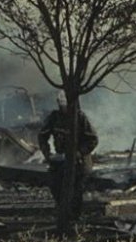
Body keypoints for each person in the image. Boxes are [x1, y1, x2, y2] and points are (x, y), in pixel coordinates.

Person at [37, 91, 99, 220]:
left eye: (66, 106)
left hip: (79, 162)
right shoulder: (54, 117)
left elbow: (93, 140)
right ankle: (62, 216)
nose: (64, 109)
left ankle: (74, 219)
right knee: (55, 186)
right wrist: (48, 154)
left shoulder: (80, 118)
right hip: (60, 160)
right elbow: (42, 136)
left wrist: (79, 153)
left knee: (76, 193)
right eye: (62, 105)